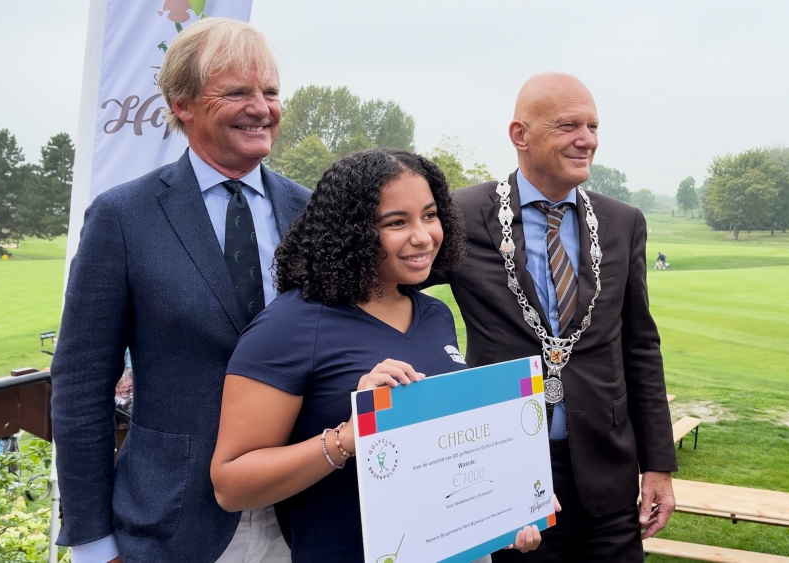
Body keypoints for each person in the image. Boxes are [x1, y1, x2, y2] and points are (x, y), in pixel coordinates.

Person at [51, 18, 311, 563]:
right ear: (182, 102)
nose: (262, 108)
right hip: (172, 525)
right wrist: (94, 541)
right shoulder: (123, 217)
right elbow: (79, 390)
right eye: (238, 92)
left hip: (304, 515)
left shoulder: (310, 211)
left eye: (270, 91)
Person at [211, 148, 544, 562]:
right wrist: (349, 437)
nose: (422, 236)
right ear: (351, 232)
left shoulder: (435, 314)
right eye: (396, 222)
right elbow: (231, 485)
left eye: (429, 215)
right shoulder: (288, 328)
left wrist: (499, 514)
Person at [434, 72, 678, 562]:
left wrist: (658, 466)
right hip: (506, 472)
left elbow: (640, 347)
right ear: (519, 135)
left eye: (592, 126)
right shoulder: (461, 214)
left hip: (607, 471)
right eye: (568, 125)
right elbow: (390, 291)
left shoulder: (622, 222)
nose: (586, 139)